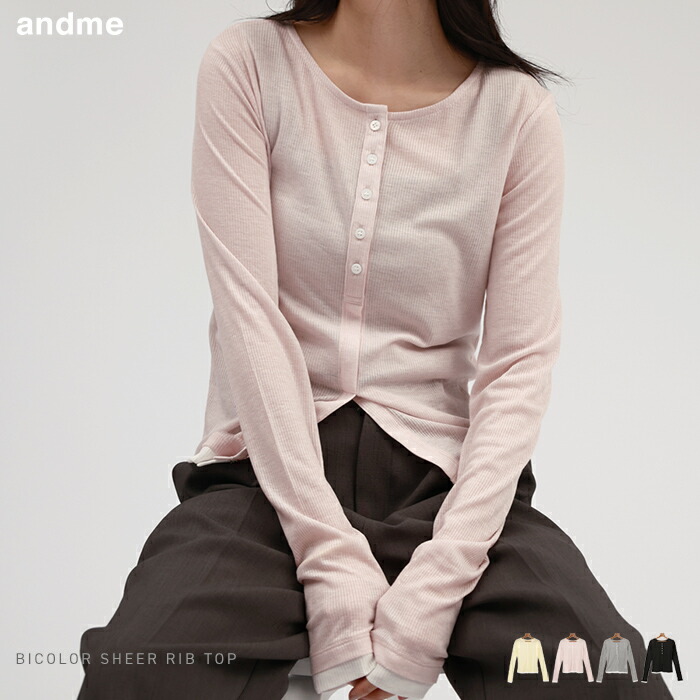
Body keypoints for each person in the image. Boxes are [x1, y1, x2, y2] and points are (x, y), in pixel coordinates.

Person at [77, 3, 674, 700]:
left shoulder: (516, 114)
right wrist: (330, 561)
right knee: (135, 676)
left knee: (613, 681)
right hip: (265, 478)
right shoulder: (249, 64)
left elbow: (518, 365)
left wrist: (438, 583)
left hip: (449, 489)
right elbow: (250, 320)